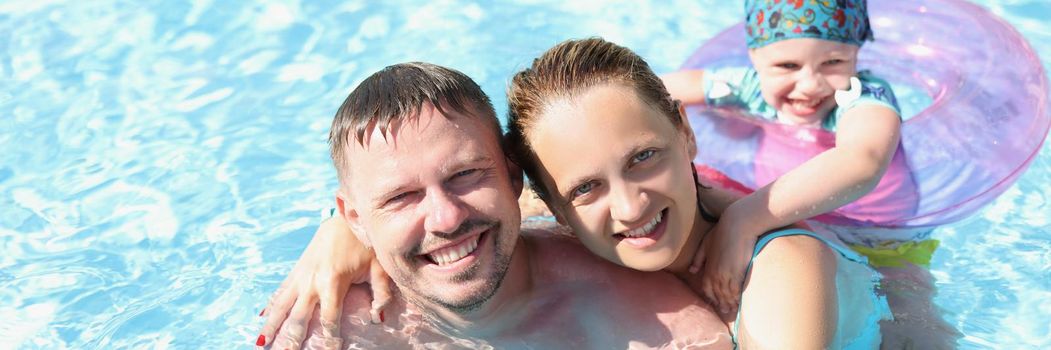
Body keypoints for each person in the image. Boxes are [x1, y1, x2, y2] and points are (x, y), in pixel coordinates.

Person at [261, 39, 892, 349]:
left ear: (685, 132)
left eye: (644, 157)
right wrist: (342, 231)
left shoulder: (781, 271)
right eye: (585, 186)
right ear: (547, 200)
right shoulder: (555, 225)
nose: (628, 206)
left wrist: (750, 216)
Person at [256, 62, 733, 349]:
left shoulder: (648, 319)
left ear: (512, 174)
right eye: (401, 197)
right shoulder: (328, 330)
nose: (446, 218)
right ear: (355, 218)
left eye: (465, 176)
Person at [659, 0, 921, 311]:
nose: (810, 85)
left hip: (881, 242)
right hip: (784, 226)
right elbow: (648, 93)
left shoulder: (866, 95)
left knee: (910, 322)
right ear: (755, 56)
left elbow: (862, 160)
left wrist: (742, 219)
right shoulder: (749, 87)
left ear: (856, 53)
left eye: (834, 61)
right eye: (788, 66)